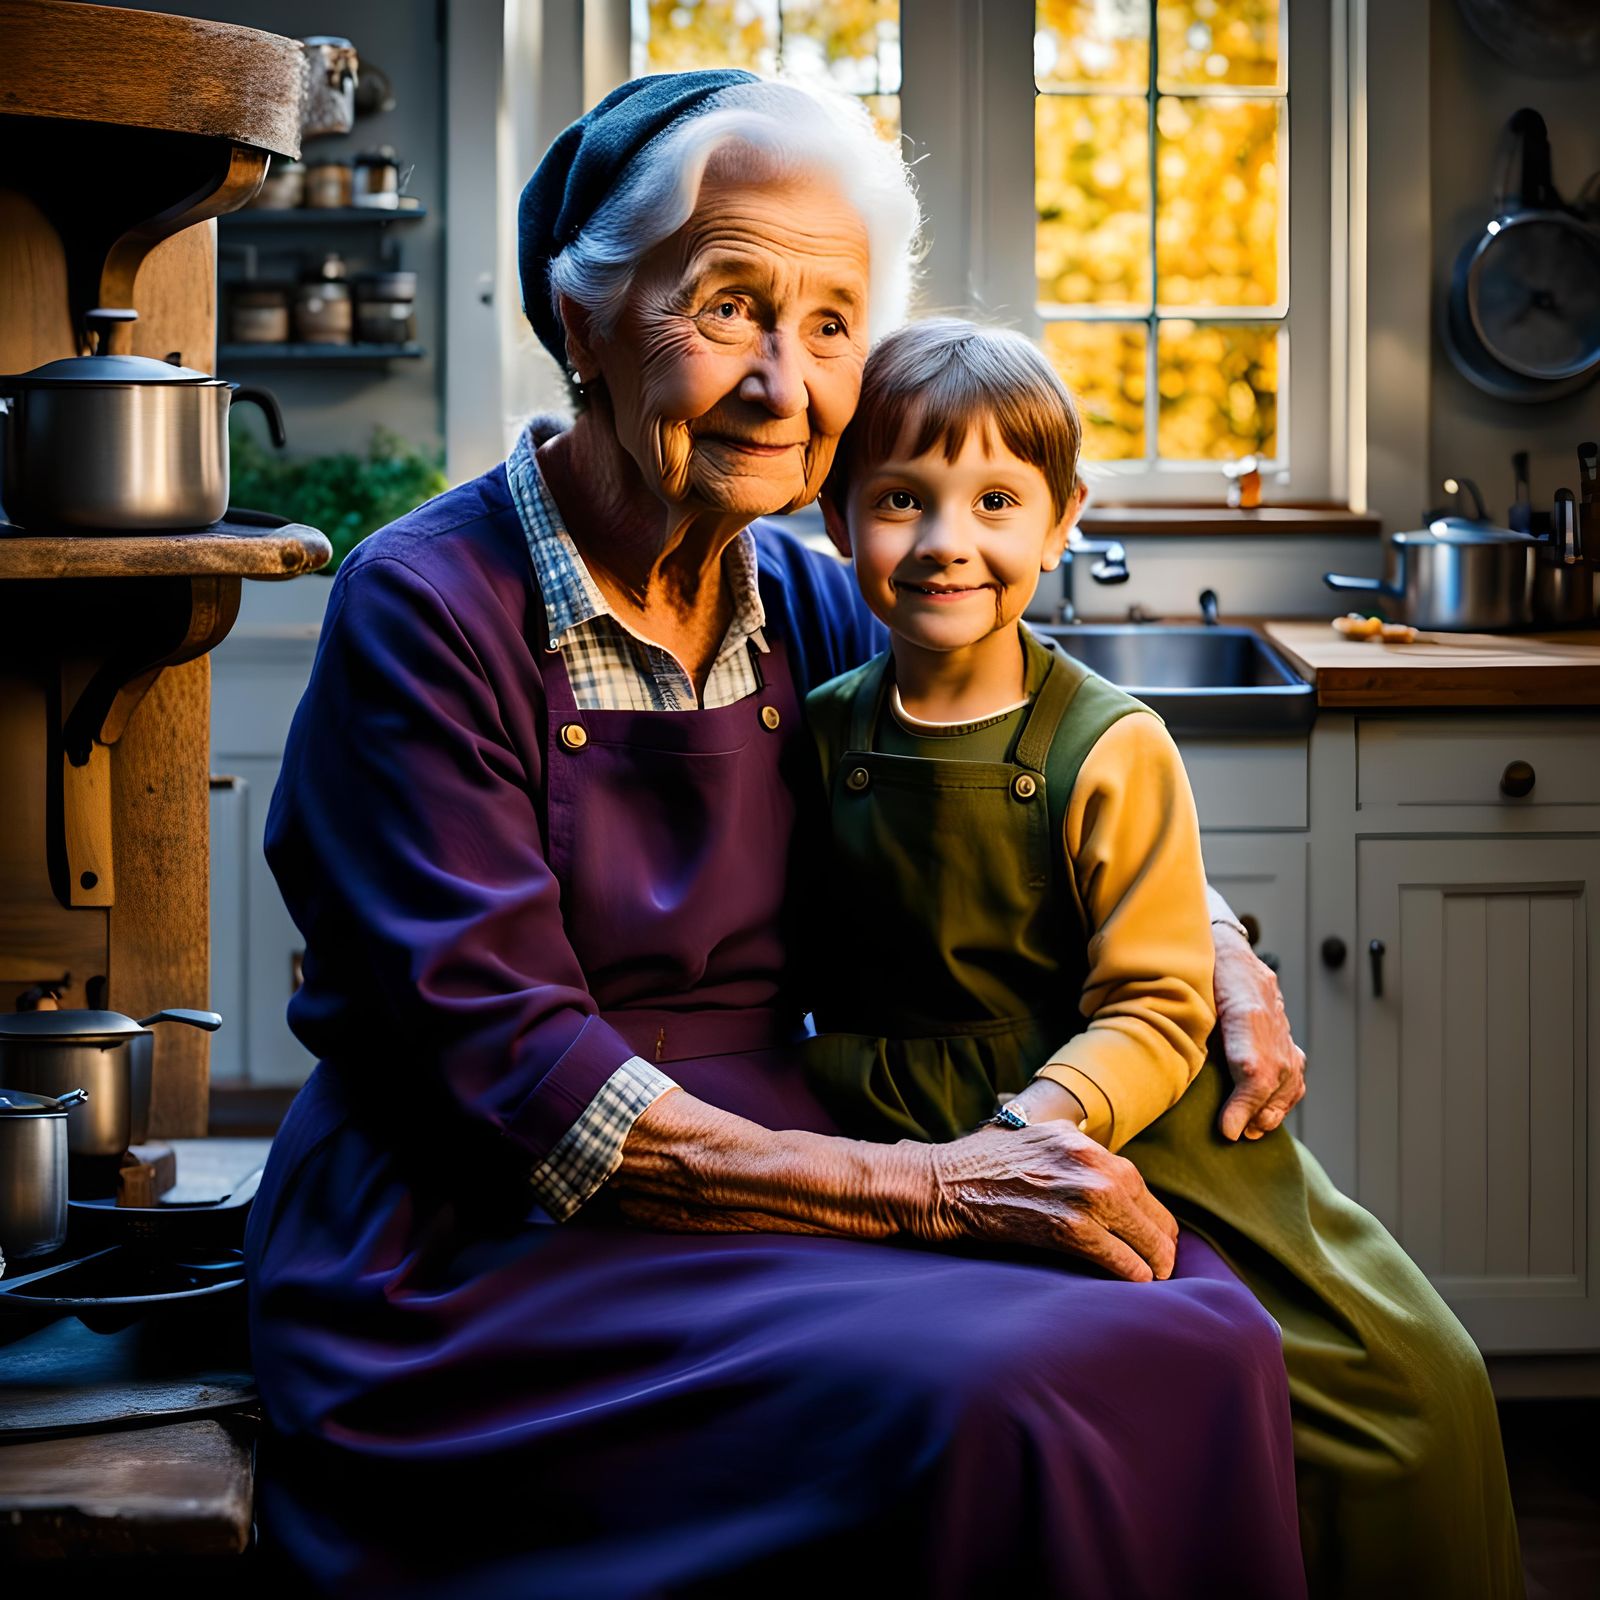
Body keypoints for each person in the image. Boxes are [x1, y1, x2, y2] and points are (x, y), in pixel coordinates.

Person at [246, 71, 1311, 1596]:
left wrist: (1206, 940)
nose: (784, 382)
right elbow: (519, 1077)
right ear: (584, 322)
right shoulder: (426, 609)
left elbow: (1009, 809)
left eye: (830, 327)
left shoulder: (811, 597)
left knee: (1193, 1326)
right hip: (484, 1232)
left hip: (793, 1152)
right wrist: (938, 1192)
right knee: (1015, 1392)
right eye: (730, 307)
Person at [803, 317, 1525, 1599]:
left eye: (994, 500)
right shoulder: (812, 732)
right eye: (900, 499)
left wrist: (1035, 1126)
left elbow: (1153, 999)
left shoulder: (1110, 743)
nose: (944, 542)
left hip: (1129, 1126)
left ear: (1062, 518)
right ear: (836, 513)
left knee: (1412, 1394)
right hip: (901, 1137)